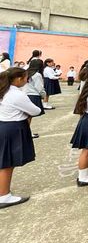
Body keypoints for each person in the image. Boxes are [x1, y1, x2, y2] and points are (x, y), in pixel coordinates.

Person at [0, 67, 41, 208]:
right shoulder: (17, 94)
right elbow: (35, 110)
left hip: (3, 125)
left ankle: (3, 193)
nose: (26, 80)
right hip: (13, 128)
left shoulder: (3, 90)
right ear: (18, 79)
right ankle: (4, 195)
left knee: (5, 161)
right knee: (7, 163)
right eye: (25, 78)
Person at [22, 59, 46, 138]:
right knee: (29, 117)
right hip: (33, 96)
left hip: (24, 95)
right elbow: (39, 88)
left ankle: (26, 133)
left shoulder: (25, 73)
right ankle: (26, 134)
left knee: (25, 116)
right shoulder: (37, 75)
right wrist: (43, 95)